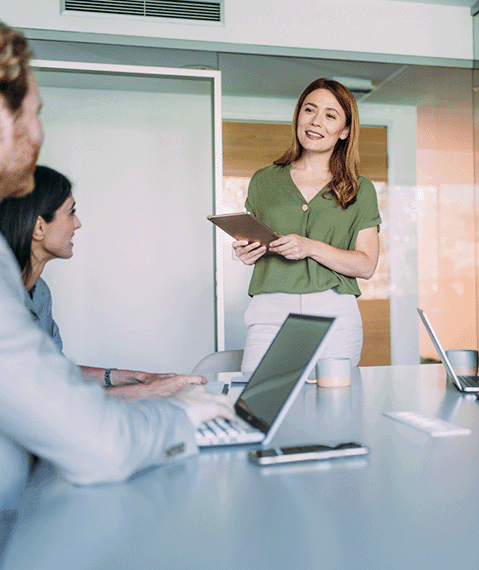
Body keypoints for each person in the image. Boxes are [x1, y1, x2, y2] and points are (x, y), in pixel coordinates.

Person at [0, 21, 233, 506]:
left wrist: (129, 381)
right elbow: (94, 442)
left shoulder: (35, 291)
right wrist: (183, 412)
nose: (39, 131)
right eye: (34, 112)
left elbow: (51, 384)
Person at [0, 165, 206, 399]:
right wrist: (145, 392)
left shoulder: (41, 293)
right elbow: (40, 396)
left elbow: (54, 374)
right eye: (70, 213)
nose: (77, 224)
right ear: (39, 227)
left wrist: (131, 377)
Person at [233, 78, 381, 375]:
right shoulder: (264, 180)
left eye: (330, 115)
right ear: (298, 116)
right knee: (259, 407)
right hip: (269, 311)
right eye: (309, 110)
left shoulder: (360, 189)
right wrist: (245, 251)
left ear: (345, 131)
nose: (315, 122)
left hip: (334, 314)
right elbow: (256, 240)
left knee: (334, 409)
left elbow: (366, 265)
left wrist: (311, 247)